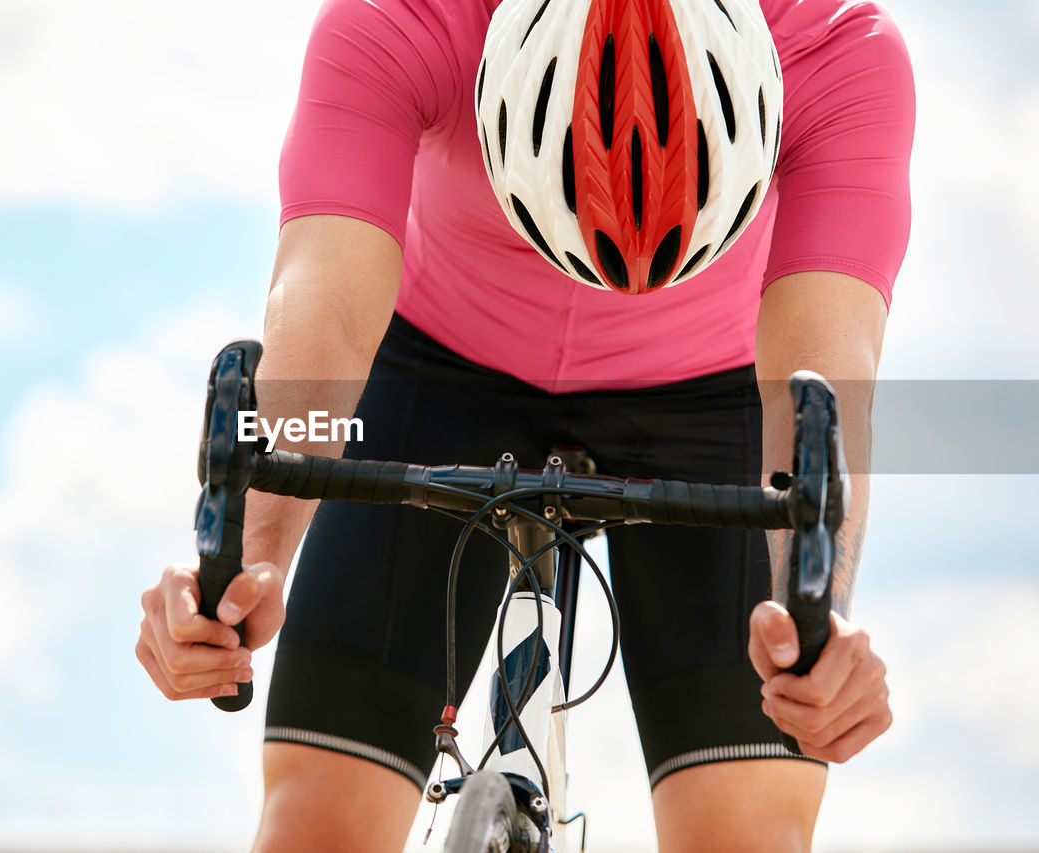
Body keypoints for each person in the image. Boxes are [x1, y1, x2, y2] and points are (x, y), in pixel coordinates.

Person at [136, 0, 915, 849]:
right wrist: (253, 556)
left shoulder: (836, 48)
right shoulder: (405, 17)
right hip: (439, 366)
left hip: (713, 394)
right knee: (316, 823)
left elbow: (820, 380)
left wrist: (819, 614)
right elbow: (322, 317)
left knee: (748, 829)